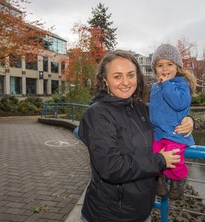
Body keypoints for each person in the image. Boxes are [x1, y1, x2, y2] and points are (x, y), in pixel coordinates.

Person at [78, 50, 194, 222]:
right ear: (105, 80)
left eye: (131, 75)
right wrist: (160, 160)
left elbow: (166, 118)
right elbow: (111, 167)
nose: (126, 82)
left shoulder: (140, 108)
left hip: (141, 212)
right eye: (117, 76)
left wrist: (190, 120)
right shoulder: (97, 115)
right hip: (110, 215)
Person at [149, 44, 196, 200]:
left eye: (170, 64)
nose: (165, 68)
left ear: (177, 67)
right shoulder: (155, 86)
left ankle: (178, 180)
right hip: (159, 132)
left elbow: (179, 104)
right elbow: (154, 109)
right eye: (160, 65)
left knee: (174, 157)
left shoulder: (181, 84)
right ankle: (159, 178)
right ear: (155, 68)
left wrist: (167, 84)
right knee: (154, 154)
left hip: (176, 133)